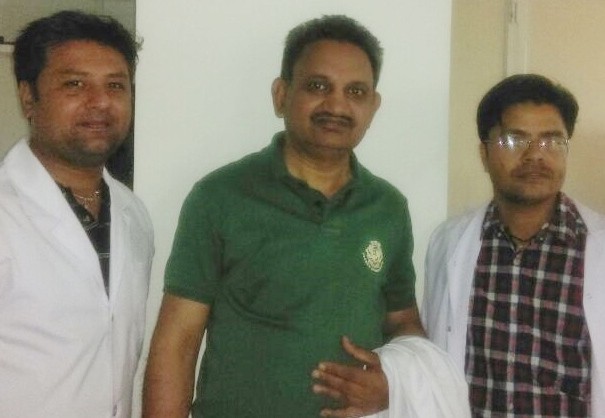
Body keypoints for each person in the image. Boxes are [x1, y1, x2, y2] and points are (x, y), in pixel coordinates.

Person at [143, 15, 428, 418]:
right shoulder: (220, 197)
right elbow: (178, 341)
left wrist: (393, 384)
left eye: (356, 92)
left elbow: (404, 324)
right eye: (318, 86)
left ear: (373, 106)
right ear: (281, 95)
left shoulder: (388, 207)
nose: (337, 105)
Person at [422, 74, 605, 417]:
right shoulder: (448, 244)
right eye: (514, 140)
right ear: (484, 153)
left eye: (552, 140)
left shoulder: (596, 246)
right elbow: (434, 364)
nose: (535, 155)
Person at [0, 10, 154, 418]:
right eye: (75, 84)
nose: (100, 102)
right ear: (28, 98)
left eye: (116, 85)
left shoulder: (134, 215)